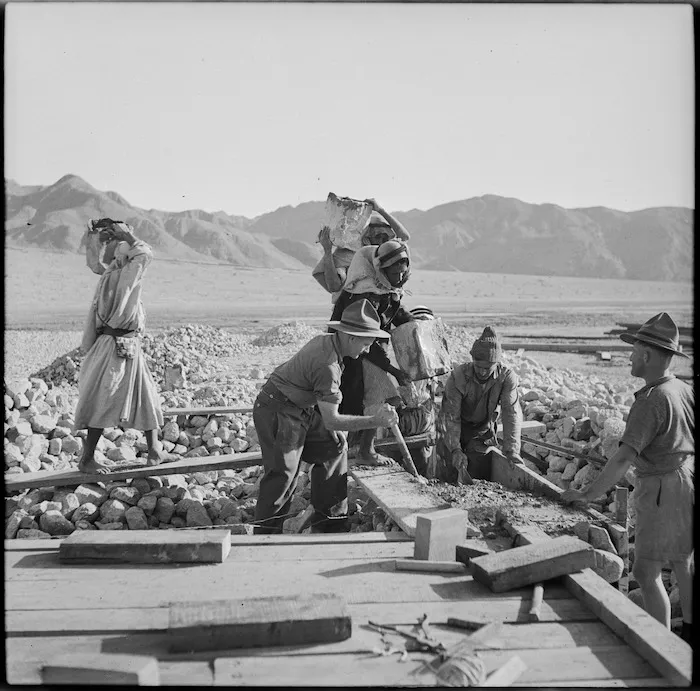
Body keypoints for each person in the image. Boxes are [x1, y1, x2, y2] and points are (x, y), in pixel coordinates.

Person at [561, 313, 694, 643]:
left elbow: (622, 458)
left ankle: (663, 647)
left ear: (647, 355)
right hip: (686, 480)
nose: (630, 357)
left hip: (662, 489)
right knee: (682, 565)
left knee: (646, 572)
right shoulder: (682, 388)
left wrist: (586, 494)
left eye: (634, 351)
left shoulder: (650, 401)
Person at [253, 299, 399, 534]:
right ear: (351, 337)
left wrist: (333, 427)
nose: (368, 349)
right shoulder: (327, 365)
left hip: (301, 408)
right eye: (366, 343)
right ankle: (265, 539)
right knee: (283, 475)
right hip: (277, 410)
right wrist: (376, 420)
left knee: (333, 446)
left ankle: (330, 523)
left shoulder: (330, 344)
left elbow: (326, 412)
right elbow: (332, 419)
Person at [74, 218, 176, 474]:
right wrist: (128, 237)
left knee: (146, 395)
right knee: (103, 399)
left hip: (127, 346)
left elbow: (97, 262)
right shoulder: (124, 275)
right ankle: (87, 459)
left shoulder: (111, 273)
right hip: (115, 348)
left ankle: (154, 452)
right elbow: (145, 255)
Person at [329, 239, 414, 465]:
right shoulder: (364, 293)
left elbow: (397, 312)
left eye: (401, 273)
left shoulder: (385, 287)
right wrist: (393, 370)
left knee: (372, 399)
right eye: (394, 273)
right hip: (354, 351)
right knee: (372, 397)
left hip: (369, 351)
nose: (398, 278)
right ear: (380, 269)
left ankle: (362, 448)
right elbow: (365, 337)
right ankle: (357, 451)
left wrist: (417, 324)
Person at [438, 326, 524, 483]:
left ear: (496, 363)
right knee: (449, 469)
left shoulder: (506, 377)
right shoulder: (458, 376)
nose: (482, 372)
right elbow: (450, 416)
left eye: (487, 368)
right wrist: (455, 449)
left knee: (477, 469)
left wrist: (512, 450)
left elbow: (511, 413)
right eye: (478, 366)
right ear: (472, 361)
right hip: (455, 427)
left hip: (481, 430)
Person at [312, 198, 411, 303]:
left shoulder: (387, 252)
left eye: (386, 236)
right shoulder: (349, 254)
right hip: (353, 308)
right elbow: (334, 286)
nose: (383, 240)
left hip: (386, 304)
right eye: (378, 236)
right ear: (367, 236)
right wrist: (327, 251)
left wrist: (381, 210)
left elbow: (404, 237)